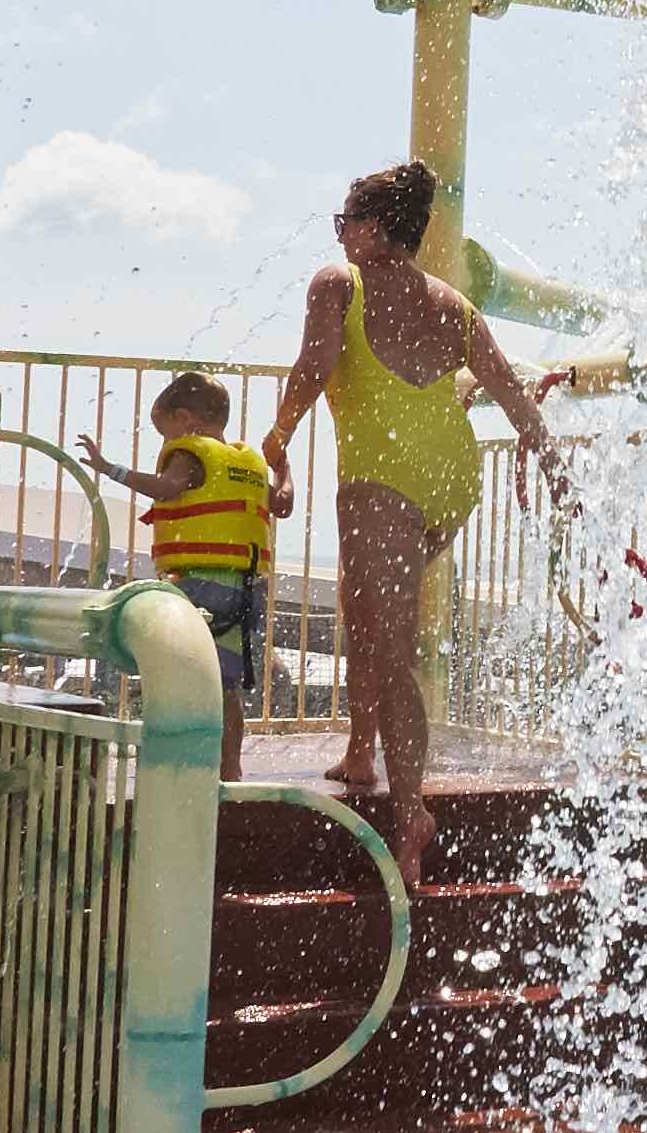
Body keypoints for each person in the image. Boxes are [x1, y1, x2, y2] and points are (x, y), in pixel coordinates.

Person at [269, 158, 563, 872]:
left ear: (373, 229)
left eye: (345, 222)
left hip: (383, 475)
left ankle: (411, 813)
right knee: (368, 610)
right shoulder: (452, 303)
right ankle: (358, 750)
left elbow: (314, 367)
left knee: (390, 642)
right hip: (449, 475)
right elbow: (507, 388)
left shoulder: (339, 283)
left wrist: (278, 437)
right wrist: (555, 466)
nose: (340, 235)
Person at [71, 372, 271, 780]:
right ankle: (230, 770)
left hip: (199, 582)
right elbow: (281, 503)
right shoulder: (246, 465)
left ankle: (177, 765)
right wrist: (282, 471)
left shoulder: (190, 455)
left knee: (176, 669)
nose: (164, 442)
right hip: (244, 586)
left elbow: (166, 488)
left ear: (183, 419)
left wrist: (111, 469)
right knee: (225, 684)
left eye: (163, 431)